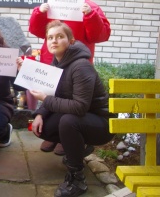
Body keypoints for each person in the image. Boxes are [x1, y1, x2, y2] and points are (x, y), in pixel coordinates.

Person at [26, 20, 115, 197]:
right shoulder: (56, 64)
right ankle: (78, 148)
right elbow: (52, 94)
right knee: (46, 127)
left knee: (68, 121)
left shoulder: (81, 66)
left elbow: (79, 107)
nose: (54, 41)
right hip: (83, 118)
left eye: (60, 36)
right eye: (50, 37)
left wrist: (45, 99)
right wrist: (40, 114)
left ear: (71, 41)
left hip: (102, 124)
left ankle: (77, 180)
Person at [28, 0, 111, 155]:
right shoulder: (53, 4)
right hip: (52, 60)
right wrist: (39, 13)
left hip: (76, 62)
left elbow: (101, 34)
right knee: (54, 93)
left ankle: (68, 138)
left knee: (72, 97)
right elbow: (38, 31)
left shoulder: (91, 6)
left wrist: (90, 14)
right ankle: (54, 135)